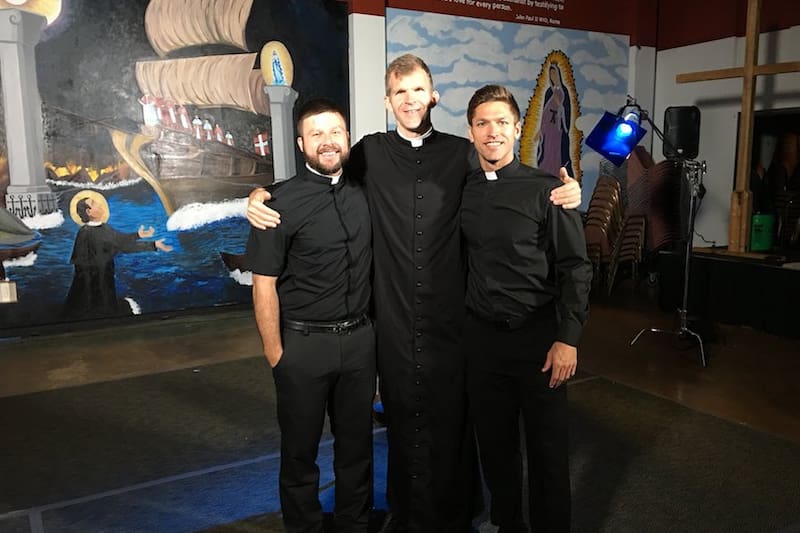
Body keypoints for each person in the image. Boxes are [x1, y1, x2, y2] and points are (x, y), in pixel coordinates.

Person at [247, 55, 583, 533]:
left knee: (455, 423)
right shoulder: (369, 151)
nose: (409, 100)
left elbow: (505, 177)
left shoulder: (461, 153)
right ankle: (408, 516)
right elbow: (322, 172)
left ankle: (458, 514)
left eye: (418, 90)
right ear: (388, 101)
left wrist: (562, 193)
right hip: (395, 319)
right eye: (400, 92)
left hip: (454, 322)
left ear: (433, 97)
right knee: (401, 422)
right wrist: (261, 193)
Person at [460, 84, 591, 532]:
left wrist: (568, 338)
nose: (492, 131)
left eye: (501, 122)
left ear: (518, 129)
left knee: (548, 452)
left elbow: (576, 267)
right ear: (471, 132)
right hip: (482, 344)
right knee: (495, 449)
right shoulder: (463, 190)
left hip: (539, 341)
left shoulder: (549, 191)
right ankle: (508, 524)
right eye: (482, 123)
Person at [245, 98, 375, 533]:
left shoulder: (366, 192)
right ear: (301, 144)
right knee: (300, 454)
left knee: (357, 449)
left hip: (359, 343)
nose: (327, 141)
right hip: (302, 348)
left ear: (348, 138)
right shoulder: (275, 204)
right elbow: (264, 284)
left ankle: (354, 525)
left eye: (335, 132)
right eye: (316, 134)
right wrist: (276, 355)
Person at [64, 191, 172, 318]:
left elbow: (120, 240)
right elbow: (121, 245)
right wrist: (152, 244)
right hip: (92, 281)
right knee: (95, 308)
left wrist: (140, 236)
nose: (100, 204)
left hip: (104, 276)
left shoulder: (104, 228)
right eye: (94, 203)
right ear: (89, 212)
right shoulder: (86, 233)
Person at [535, 64, 573, 178]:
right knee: (546, 152)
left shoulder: (564, 91)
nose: (552, 76)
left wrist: (559, 104)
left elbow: (566, 111)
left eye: (554, 73)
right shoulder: (549, 92)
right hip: (548, 130)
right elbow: (544, 113)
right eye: (551, 74)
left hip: (558, 130)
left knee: (557, 152)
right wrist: (540, 130)